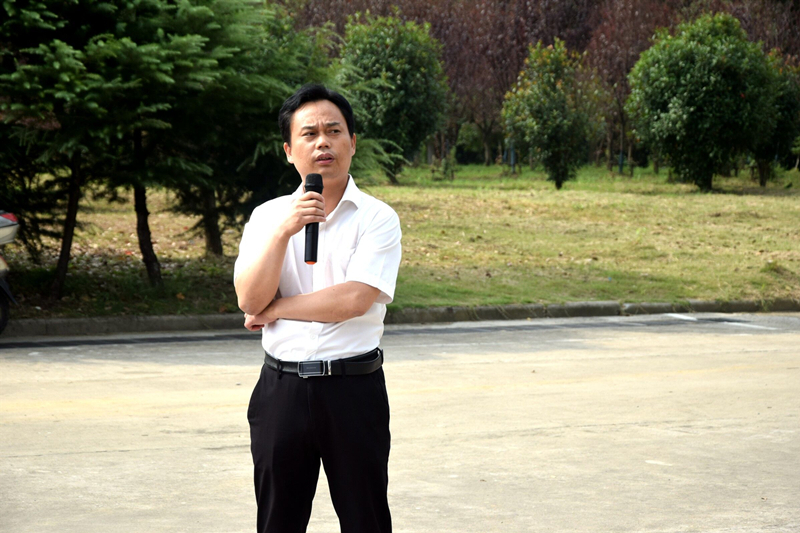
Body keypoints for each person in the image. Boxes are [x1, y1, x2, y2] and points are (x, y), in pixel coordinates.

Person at [234, 84, 402, 533]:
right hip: (281, 391)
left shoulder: (377, 218)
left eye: (334, 131)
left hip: (353, 390)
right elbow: (249, 300)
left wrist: (277, 308)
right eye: (309, 134)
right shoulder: (267, 217)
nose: (322, 142)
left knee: (366, 520)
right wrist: (284, 231)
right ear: (290, 151)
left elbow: (353, 299)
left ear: (353, 142)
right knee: (277, 522)